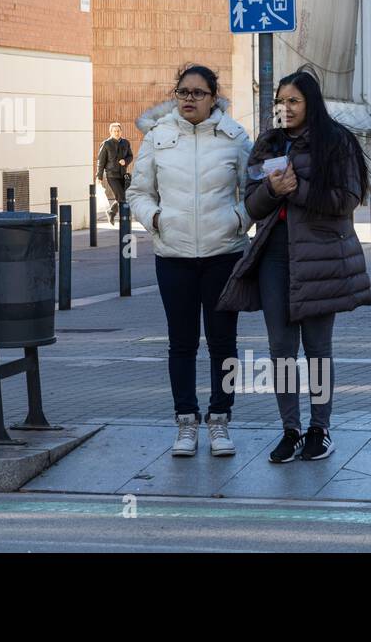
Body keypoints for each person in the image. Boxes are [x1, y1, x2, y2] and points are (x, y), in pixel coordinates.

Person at [218, 70, 371, 463]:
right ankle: (291, 429)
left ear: (311, 103)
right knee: (281, 349)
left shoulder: (336, 142)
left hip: (321, 257)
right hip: (275, 256)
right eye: (280, 102)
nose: (285, 109)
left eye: (294, 102)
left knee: (318, 349)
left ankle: (320, 429)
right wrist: (272, 190)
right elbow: (251, 204)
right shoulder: (268, 143)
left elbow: (347, 199)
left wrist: (297, 189)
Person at [127, 65, 252, 459]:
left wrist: (238, 220)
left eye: (199, 93)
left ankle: (219, 420)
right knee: (181, 344)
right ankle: (185, 421)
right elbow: (138, 192)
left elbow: (254, 191)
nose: (189, 100)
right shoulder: (158, 138)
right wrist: (157, 220)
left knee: (222, 343)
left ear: (214, 97)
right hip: (174, 256)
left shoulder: (234, 138)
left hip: (223, 254)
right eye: (183, 92)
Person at [96, 123, 133, 225]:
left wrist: (125, 161)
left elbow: (130, 156)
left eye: (118, 131)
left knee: (122, 197)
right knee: (121, 197)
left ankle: (111, 212)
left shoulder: (126, 143)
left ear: (121, 131)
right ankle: (125, 220)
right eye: (114, 131)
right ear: (111, 132)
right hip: (112, 175)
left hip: (123, 174)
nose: (117, 133)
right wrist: (99, 176)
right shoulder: (106, 144)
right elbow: (100, 161)